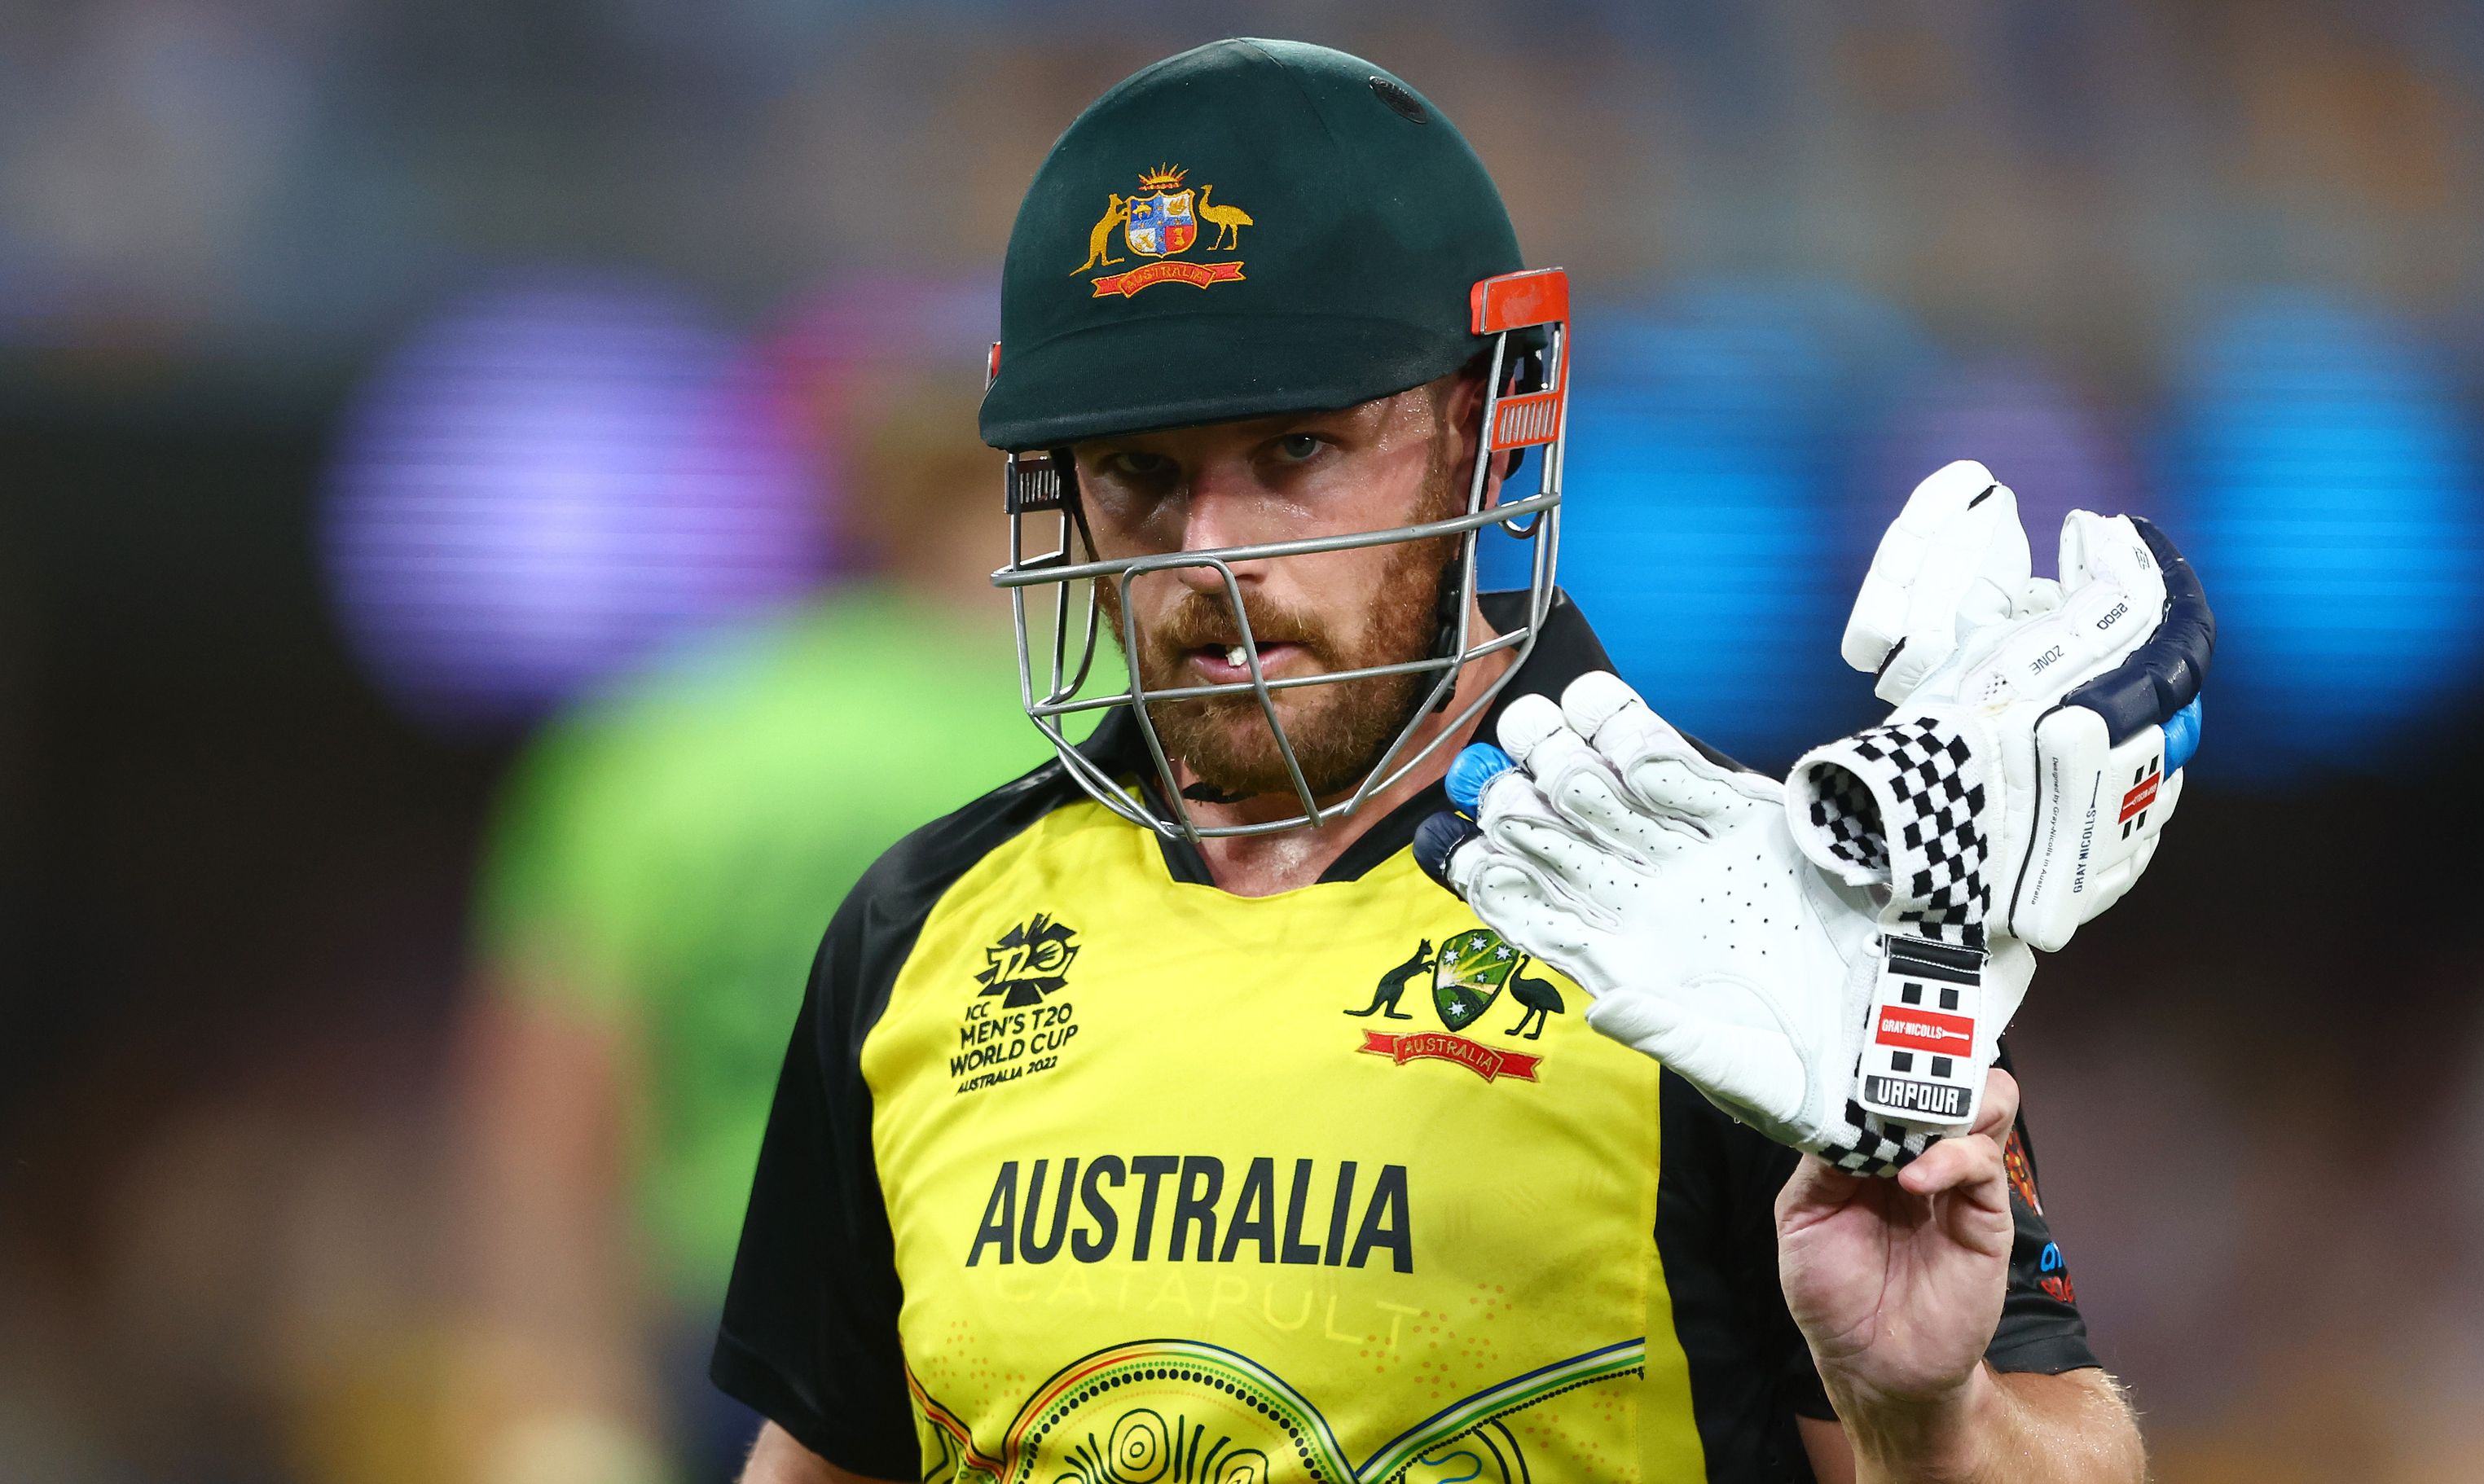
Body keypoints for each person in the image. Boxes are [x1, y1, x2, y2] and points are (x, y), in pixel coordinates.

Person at [714, 40, 2145, 1483]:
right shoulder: (920, 933)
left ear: (1484, 422)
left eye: (1294, 449)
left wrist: (1923, 1410)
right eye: (1138, 471)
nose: (1209, 555)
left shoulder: (1753, 914)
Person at [446, 293, 1065, 1484]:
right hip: (999, 1320)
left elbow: (544, 1128)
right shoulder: (1081, 738)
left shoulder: (646, 742)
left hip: (711, 1342)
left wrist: (558, 1394)